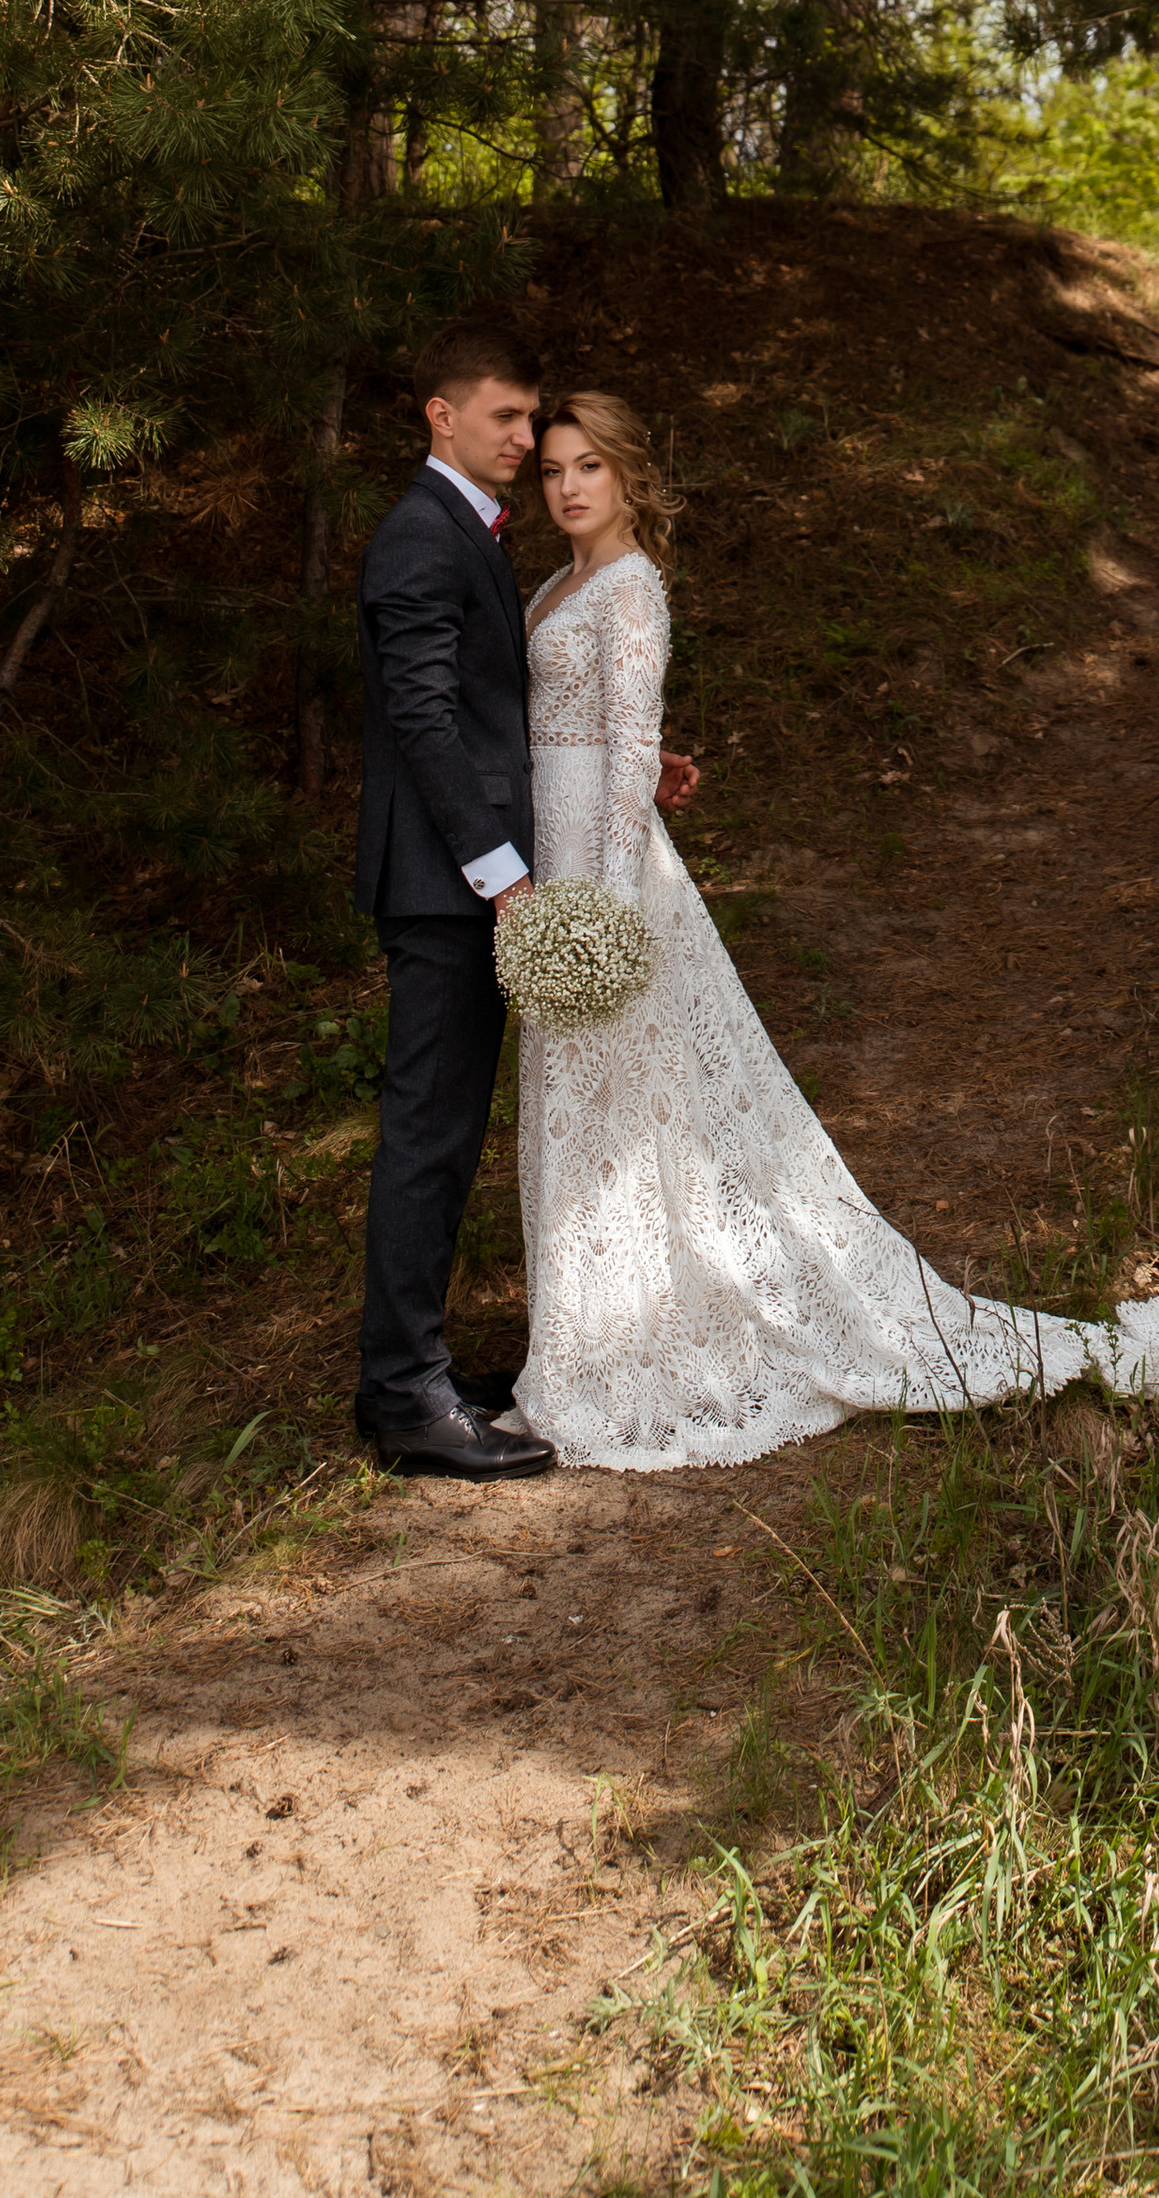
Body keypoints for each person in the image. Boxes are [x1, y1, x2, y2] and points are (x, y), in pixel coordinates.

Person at [507, 391, 1159, 1471]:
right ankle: (590, 1340)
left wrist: (603, 908)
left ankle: (654, 1348)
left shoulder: (632, 591)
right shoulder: (555, 585)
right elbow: (579, 730)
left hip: (607, 886)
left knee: (649, 1105)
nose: (567, 487)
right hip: (553, 859)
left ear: (627, 476)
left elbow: (625, 756)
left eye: (589, 468)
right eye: (553, 469)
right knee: (589, 1117)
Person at [350, 322, 697, 1482]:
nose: (525, 443)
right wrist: (504, 877)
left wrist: (637, 766)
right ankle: (404, 1396)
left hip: (498, 874)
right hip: (454, 882)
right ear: (440, 415)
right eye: (506, 420)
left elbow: (516, 711)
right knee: (428, 1135)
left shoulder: (483, 539)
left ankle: (429, 1370)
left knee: (449, 1136)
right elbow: (425, 721)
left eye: (539, 428)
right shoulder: (419, 536)